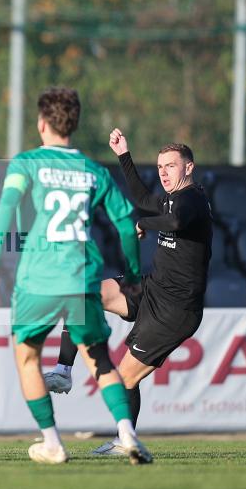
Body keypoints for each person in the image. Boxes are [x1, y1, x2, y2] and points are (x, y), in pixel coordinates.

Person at [0, 87, 150, 465]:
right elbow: (125, 224)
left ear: (42, 124)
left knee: (27, 358)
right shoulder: (92, 170)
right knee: (101, 362)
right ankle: (127, 433)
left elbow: (6, 210)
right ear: (73, 124)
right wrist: (135, 273)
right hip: (82, 277)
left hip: (38, 277)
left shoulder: (26, 163)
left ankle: (52, 441)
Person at [45, 130, 212, 457]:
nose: (164, 172)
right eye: (161, 166)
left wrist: (147, 225)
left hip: (175, 310)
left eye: (171, 166)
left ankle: (126, 441)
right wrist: (124, 155)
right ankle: (64, 371)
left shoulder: (191, 197)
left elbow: (176, 222)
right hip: (151, 289)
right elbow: (142, 199)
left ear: (188, 168)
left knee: (124, 379)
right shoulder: (169, 197)